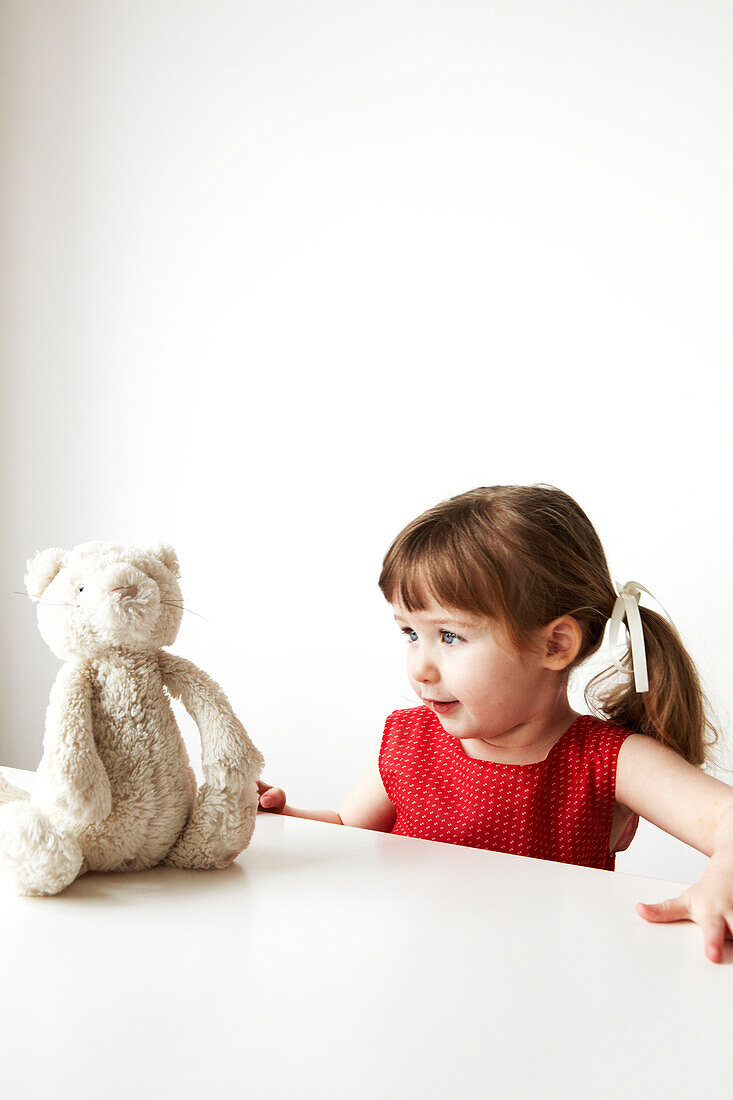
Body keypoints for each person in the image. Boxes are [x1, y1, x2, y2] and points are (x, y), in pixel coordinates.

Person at [258, 485, 733, 963]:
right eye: (410, 633)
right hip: (417, 977)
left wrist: (722, 882)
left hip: (544, 990)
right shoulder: (411, 740)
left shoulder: (608, 760)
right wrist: (282, 822)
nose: (420, 666)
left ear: (555, 645)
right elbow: (348, 831)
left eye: (449, 635)